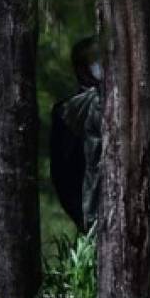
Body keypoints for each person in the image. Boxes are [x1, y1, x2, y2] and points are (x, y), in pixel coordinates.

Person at [50, 37, 101, 232]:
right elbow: (63, 173)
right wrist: (83, 217)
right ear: (81, 70)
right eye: (97, 61)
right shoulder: (67, 112)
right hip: (92, 211)